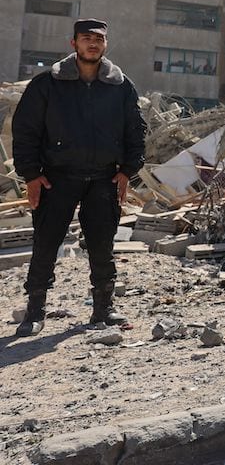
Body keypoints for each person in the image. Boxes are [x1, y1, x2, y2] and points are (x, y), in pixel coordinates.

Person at [12, 19, 146, 336]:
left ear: (105, 44)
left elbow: (136, 132)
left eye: (99, 39)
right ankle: (34, 313)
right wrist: (31, 175)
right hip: (57, 178)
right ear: (73, 43)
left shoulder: (120, 86)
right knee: (45, 244)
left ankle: (103, 310)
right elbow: (25, 131)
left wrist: (128, 170)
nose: (93, 44)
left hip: (104, 179)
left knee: (102, 246)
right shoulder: (47, 84)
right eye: (86, 38)